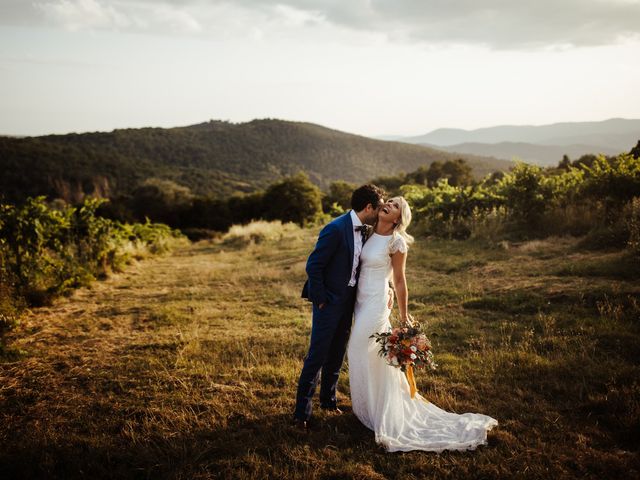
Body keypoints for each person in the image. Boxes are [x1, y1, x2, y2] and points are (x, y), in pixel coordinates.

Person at [347, 196, 498, 452]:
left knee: (358, 347)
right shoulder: (369, 233)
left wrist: (404, 316)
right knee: (366, 353)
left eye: (394, 206)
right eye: (389, 201)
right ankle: (371, 408)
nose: (387, 204)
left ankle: (382, 411)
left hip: (375, 302)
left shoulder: (397, 242)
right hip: (361, 301)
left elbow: (400, 280)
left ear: (397, 218)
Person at [293, 184, 385, 430]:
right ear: (368, 207)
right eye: (378, 209)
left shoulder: (365, 231)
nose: (379, 214)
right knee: (318, 355)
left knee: (336, 353)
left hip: (348, 302)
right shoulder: (335, 229)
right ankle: (301, 413)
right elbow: (314, 265)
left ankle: (328, 401)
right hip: (329, 302)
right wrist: (322, 299)